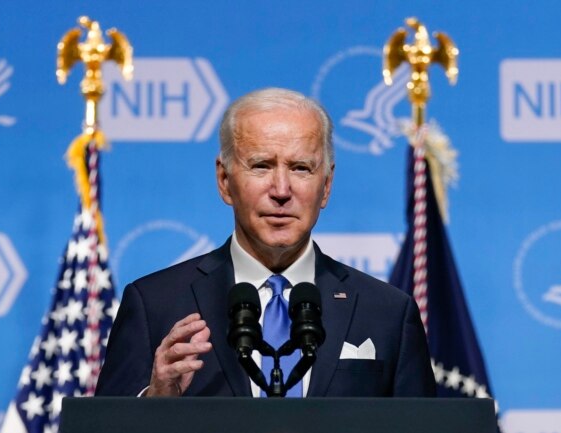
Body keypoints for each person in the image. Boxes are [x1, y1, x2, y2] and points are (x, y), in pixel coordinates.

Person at [95, 88, 436, 398]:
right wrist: (154, 402)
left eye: (301, 168)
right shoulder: (155, 305)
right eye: (261, 166)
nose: (282, 190)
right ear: (224, 181)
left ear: (327, 186)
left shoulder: (388, 313)